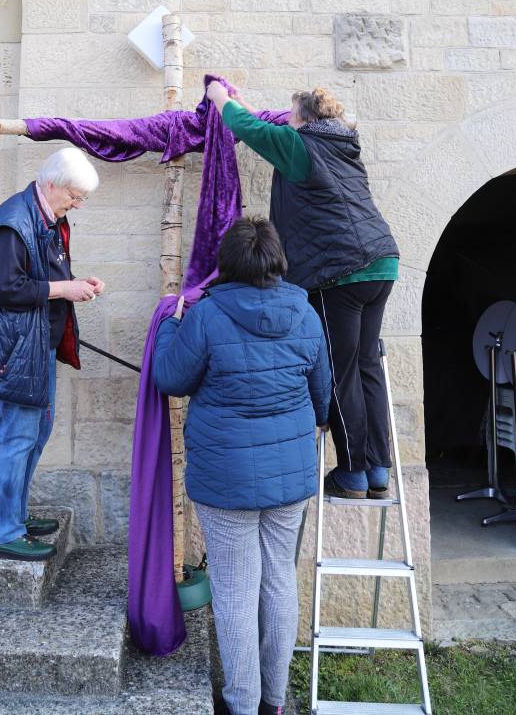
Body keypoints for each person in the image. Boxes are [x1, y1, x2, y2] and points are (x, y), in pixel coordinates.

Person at [153, 218, 330, 715]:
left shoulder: (207, 316)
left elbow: (170, 377)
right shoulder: (306, 312)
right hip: (290, 475)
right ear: (277, 260)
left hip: (225, 478)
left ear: (226, 264)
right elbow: (322, 398)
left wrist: (169, 324)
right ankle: (273, 700)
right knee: (279, 581)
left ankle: (242, 703)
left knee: (235, 590)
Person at [206, 80, 399, 501]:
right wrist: (244, 104)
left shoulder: (300, 146)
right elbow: (265, 127)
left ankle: (352, 473)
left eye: (291, 115)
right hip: (381, 261)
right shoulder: (342, 145)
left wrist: (219, 98)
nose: (286, 121)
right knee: (366, 363)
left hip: (339, 272)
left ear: (304, 119)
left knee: (340, 369)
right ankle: (378, 469)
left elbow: (251, 129)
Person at [0, 147, 105, 561]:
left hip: (34, 348)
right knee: (15, 436)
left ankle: (12, 515)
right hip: (13, 353)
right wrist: (64, 289)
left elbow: (42, 276)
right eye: (74, 196)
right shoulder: (13, 223)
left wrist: (77, 283)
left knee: (34, 434)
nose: (77, 205)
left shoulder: (45, 217)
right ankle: (3, 531)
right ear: (52, 184)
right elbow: (4, 288)